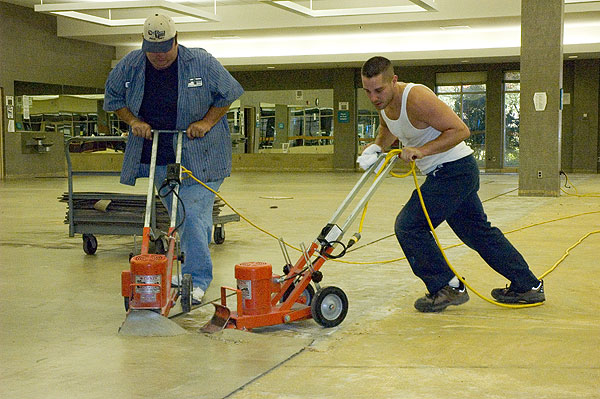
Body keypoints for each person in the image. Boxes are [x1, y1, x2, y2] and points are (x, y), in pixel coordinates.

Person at [358, 56, 545, 312]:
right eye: (368, 91)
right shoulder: (384, 103)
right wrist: (376, 147)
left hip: (454, 170)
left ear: (394, 80)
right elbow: (387, 128)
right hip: (449, 173)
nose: (374, 97)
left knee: (409, 225)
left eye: (378, 90)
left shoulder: (417, 97)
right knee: (479, 234)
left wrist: (421, 151)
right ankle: (528, 286)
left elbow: (460, 130)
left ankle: (447, 287)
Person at [104, 14, 244, 304]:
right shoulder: (130, 64)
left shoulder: (202, 62)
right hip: (158, 152)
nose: (158, 57)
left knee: (193, 214)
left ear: (176, 41)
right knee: (181, 217)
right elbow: (114, 99)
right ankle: (183, 270)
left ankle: (197, 278)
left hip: (202, 153)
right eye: (152, 51)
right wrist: (133, 121)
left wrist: (206, 122)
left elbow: (229, 93)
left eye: (164, 50)